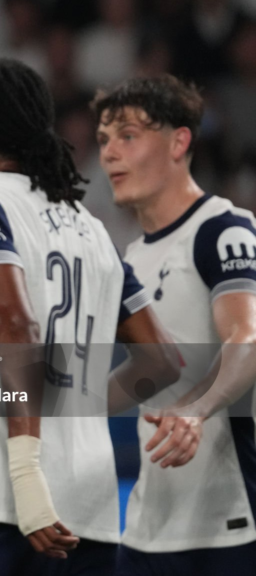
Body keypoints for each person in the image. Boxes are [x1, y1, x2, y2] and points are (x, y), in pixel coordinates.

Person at [0, 58, 182, 576]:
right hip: (94, 512)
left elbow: (16, 326)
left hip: (3, 508)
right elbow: (162, 360)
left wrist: (25, 469)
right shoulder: (91, 227)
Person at [94, 75, 256, 576]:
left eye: (128, 135)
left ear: (179, 141)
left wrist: (196, 409)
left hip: (228, 524)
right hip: (147, 526)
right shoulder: (128, 259)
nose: (110, 154)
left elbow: (246, 336)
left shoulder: (223, 230)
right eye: (103, 140)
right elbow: (151, 375)